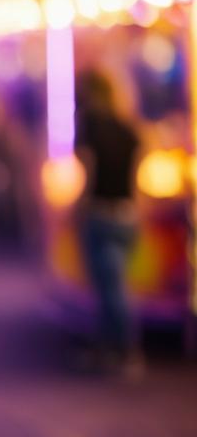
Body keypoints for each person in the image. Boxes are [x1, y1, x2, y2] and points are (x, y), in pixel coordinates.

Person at [73, 68, 144, 380]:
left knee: (107, 290)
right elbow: (137, 177)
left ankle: (125, 351)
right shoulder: (130, 128)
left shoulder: (89, 125)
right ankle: (109, 350)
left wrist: (79, 208)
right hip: (128, 213)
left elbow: (88, 171)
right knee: (114, 286)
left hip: (100, 212)